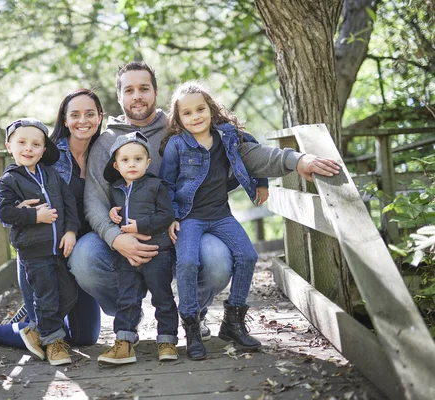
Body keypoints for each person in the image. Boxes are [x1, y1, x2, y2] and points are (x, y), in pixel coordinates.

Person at [69, 61, 340, 343]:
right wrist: (115, 238)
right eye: (129, 90)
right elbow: (94, 202)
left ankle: (193, 315)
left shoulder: (181, 125)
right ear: (120, 95)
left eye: (144, 88)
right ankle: (129, 310)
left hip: (184, 228)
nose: (137, 95)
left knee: (218, 258)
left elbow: (246, 152)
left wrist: (297, 160)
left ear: (156, 92)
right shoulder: (106, 142)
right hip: (128, 235)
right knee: (84, 257)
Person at [0, 89, 104, 350]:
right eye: (75, 114)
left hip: (79, 252)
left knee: (84, 337)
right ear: (64, 120)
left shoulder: (104, 153)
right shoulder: (48, 154)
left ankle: (35, 319)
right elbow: (5, 199)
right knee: (51, 331)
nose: (83, 120)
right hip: (42, 252)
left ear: (100, 118)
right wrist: (22, 210)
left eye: (90, 114)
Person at [159, 81, 272, 359]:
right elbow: (166, 184)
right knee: (187, 263)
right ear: (178, 118)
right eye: (187, 113)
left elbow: (255, 150)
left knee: (247, 256)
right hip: (188, 218)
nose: (195, 117)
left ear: (211, 109)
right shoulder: (176, 145)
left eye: (201, 109)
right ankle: (192, 328)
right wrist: (171, 217)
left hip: (221, 215)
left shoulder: (228, 135)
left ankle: (232, 322)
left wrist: (262, 182)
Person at [0, 117, 80, 366]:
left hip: (59, 249)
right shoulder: (9, 180)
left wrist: (71, 230)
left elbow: (68, 202)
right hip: (34, 251)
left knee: (69, 293)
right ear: (9, 146)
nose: (28, 148)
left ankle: (37, 329)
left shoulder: (51, 175)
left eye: (35, 144)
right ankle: (53, 342)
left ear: (43, 150)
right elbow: (4, 213)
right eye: (21, 142)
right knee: (46, 297)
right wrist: (34, 215)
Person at [97, 132, 178, 365]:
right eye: (125, 160)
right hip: (127, 256)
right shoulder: (116, 189)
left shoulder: (155, 185)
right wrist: (113, 213)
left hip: (156, 252)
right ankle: (124, 341)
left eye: (138, 159)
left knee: (162, 297)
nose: (131, 164)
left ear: (148, 162)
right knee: (127, 298)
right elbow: (117, 212)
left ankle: (167, 340)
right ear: (116, 164)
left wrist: (140, 225)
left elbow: (166, 215)